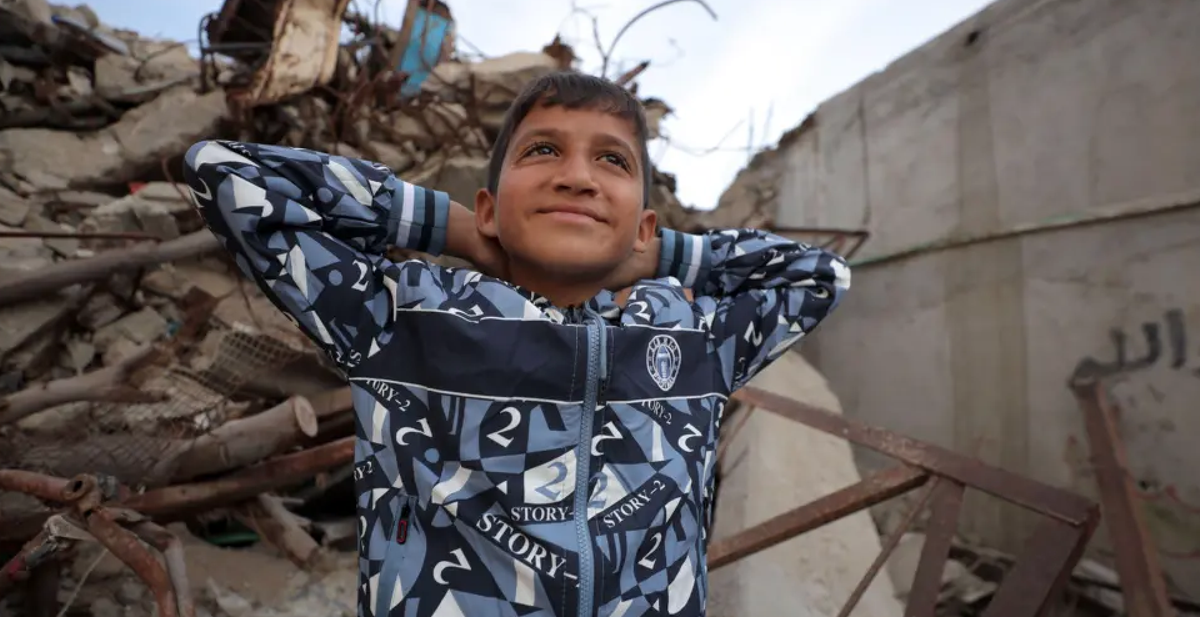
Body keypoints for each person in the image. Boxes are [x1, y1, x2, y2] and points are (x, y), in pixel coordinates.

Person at [183, 71, 850, 617]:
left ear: (644, 225)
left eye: (611, 160)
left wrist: (658, 257)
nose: (578, 177)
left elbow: (821, 276)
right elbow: (224, 173)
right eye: (543, 151)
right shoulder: (400, 317)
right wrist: (455, 229)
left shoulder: (696, 337)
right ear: (491, 205)